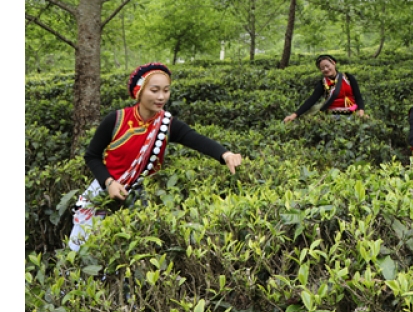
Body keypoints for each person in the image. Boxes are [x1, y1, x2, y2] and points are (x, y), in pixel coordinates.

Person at [68, 62, 244, 251]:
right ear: (139, 91)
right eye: (154, 90)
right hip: (105, 188)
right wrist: (109, 183)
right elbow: (92, 156)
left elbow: (195, 138)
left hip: (138, 197)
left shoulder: (166, 124)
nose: (161, 97)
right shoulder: (117, 119)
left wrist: (225, 154)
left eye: (166, 91)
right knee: (85, 249)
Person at [283, 54, 366, 122]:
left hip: (353, 114)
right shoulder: (322, 84)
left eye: (327, 66)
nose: (326, 69)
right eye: (322, 68)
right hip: (333, 117)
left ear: (333, 63)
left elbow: (358, 97)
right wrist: (294, 115)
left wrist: (361, 111)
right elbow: (311, 100)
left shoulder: (348, 77)